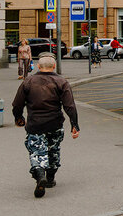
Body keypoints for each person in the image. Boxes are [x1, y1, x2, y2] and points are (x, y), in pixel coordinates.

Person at [11, 54, 80, 198]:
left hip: (35, 124)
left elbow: (17, 103)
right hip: (55, 123)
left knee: (36, 150)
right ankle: (50, 178)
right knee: (53, 150)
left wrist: (19, 117)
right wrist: (75, 124)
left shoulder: (28, 81)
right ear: (54, 66)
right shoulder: (61, 82)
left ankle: (39, 173)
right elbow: (69, 106)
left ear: (38, 66)